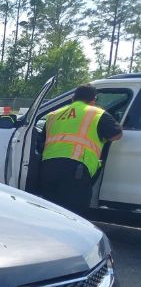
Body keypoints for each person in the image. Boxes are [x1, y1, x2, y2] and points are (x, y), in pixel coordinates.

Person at [39, 83, 123, 212]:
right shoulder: (97, 113)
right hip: (75, 171)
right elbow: (116, 135)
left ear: (73, 98)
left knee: (51, 211)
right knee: (74, 215)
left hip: (48, 169)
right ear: (93, 100)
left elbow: (43, 140)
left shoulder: (53, 115)